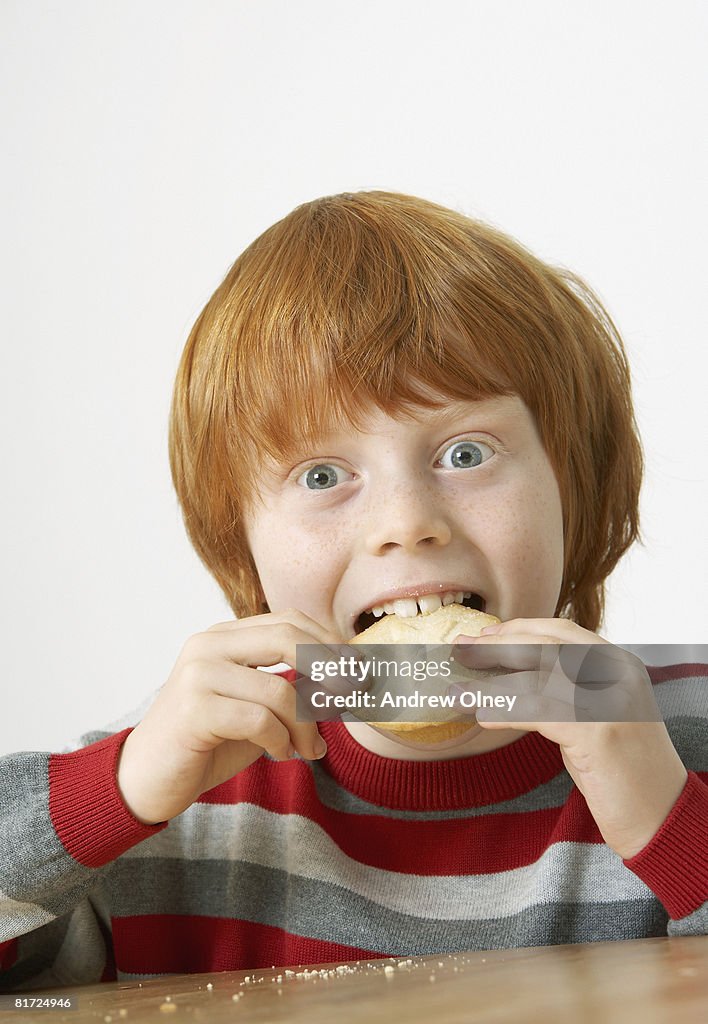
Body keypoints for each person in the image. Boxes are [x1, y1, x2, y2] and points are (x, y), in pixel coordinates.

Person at [1, 191, 705, 990]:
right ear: (244, 544)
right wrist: (116, 794)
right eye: (323, 475)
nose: (405, 524)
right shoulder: (174, 781)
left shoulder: (681, 735)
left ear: (574, 484)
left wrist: (671, 823)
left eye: (467, 453)